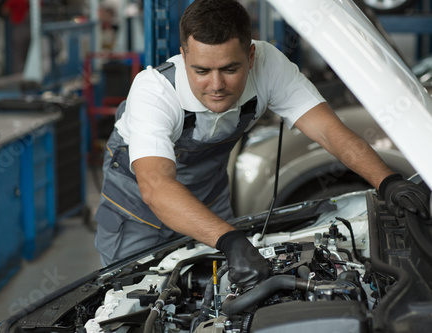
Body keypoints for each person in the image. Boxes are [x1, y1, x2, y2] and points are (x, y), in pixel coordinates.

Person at [94, 0, 430, 287]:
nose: (216, 85)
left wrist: (388, 181)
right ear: (183, 57)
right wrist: (229, 238)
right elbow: (155, 185)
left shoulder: (270, 67)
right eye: (201, 70)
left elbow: (330, 132)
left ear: (251, 55)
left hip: (207, 194)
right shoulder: (154, 91)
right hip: (137, 207)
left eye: (229, 69)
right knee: (132, 295)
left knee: (218, 286)